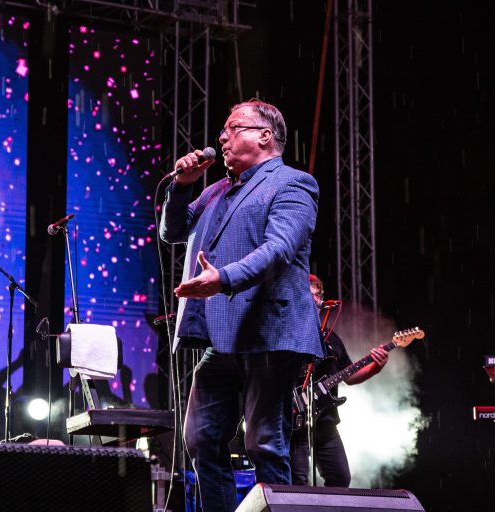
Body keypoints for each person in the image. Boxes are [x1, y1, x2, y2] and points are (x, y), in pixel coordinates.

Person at [159, 98, 324, 511]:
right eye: (224, 130)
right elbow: (172, 232)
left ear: (265, 136)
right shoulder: (215, 190)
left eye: (233, 128)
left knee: (264, 443)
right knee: (201, 438)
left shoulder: (293, 183)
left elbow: (279, 249)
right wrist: (182, 187)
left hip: (269, 331)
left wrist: (224, 278)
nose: (222, 137)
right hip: (223, 336)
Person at [289, 274, 389, 487]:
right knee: (297, 482)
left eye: (318, 295)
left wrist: (375, 367)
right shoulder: (287, 333)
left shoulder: (330, 338)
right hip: (296, 421)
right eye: (309, 295)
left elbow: (349, 376)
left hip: (326, 422)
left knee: (340, 478)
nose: (315, 300)